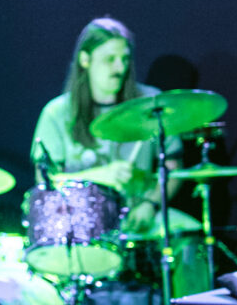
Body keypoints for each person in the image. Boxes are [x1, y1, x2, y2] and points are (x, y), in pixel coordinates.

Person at [30, 16, 182, 234]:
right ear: (85, 59)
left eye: (125, 59)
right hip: (80, 228)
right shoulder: (57, 113)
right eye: (110, 59)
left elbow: (173, 167)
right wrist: (102, 175)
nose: (120, 67)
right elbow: (46, 181)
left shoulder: (151, 104)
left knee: (188, 238)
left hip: (140, 220)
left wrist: (151, 204)